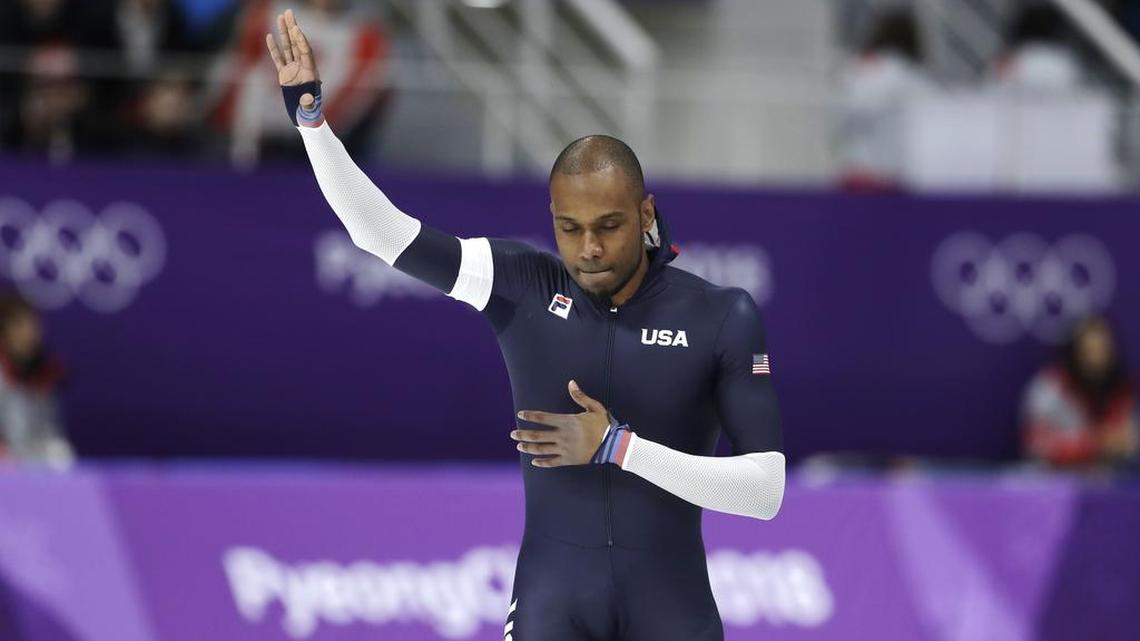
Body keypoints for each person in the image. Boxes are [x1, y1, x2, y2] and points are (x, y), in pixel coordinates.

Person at [266, 10, 785, 640]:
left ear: (646, 211)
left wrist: (617, 447)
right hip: (552, 600)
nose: (588, 247)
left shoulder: (720, 314)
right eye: (570, 228)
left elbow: (765, 491)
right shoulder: (522, 282)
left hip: (671, 607)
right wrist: (313, 123)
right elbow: (382, 235)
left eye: (609, 226)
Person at [1021, 316, 1139, 469]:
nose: (1097, 358)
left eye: (1104, 350)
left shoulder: (1122, 389)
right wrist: (1095, 444)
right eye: (1089, 351)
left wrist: (1124, 443)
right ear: (1075, 352)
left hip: (1111, 480)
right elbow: (1036, 445)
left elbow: (1129, 440)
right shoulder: (1049, 389)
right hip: (1056, 479)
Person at [836, 7, 933, 191]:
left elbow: (838, 122)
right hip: (896, 174)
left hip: (857, 170)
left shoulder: (856, 73)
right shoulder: (913, 78)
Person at [0, 293, 73, 469]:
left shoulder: (45, 372)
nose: (29, 333)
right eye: (20, 325)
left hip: (36, 466)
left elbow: (52, 433)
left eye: (33, 325)